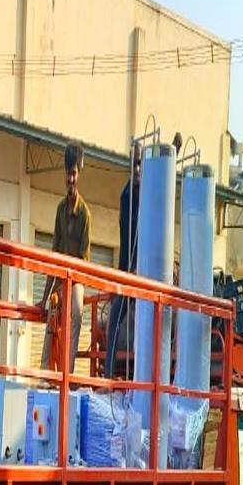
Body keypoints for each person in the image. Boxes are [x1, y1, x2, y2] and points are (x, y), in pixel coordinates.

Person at [40, 142, 91, 373]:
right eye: (67, 174)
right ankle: (45, 370)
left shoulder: (85, 214)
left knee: (76, 311)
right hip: (61, 279)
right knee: (52, 308)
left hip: (76, 280)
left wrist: (71, 282)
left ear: (78, 175)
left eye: (73, 174)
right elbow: (54, 252)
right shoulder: (60, 209)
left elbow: (84, 260)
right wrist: (45, 295)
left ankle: (66, 374)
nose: (70, 179)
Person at [105, 144, 141, 377]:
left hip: (147, 275)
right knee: (113, 321)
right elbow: (127, 239)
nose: (137, 170)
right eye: (134, 164)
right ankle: (108, 377)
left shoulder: (151, 198)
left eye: (141, 165)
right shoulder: (127, 196)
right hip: (128, 272)